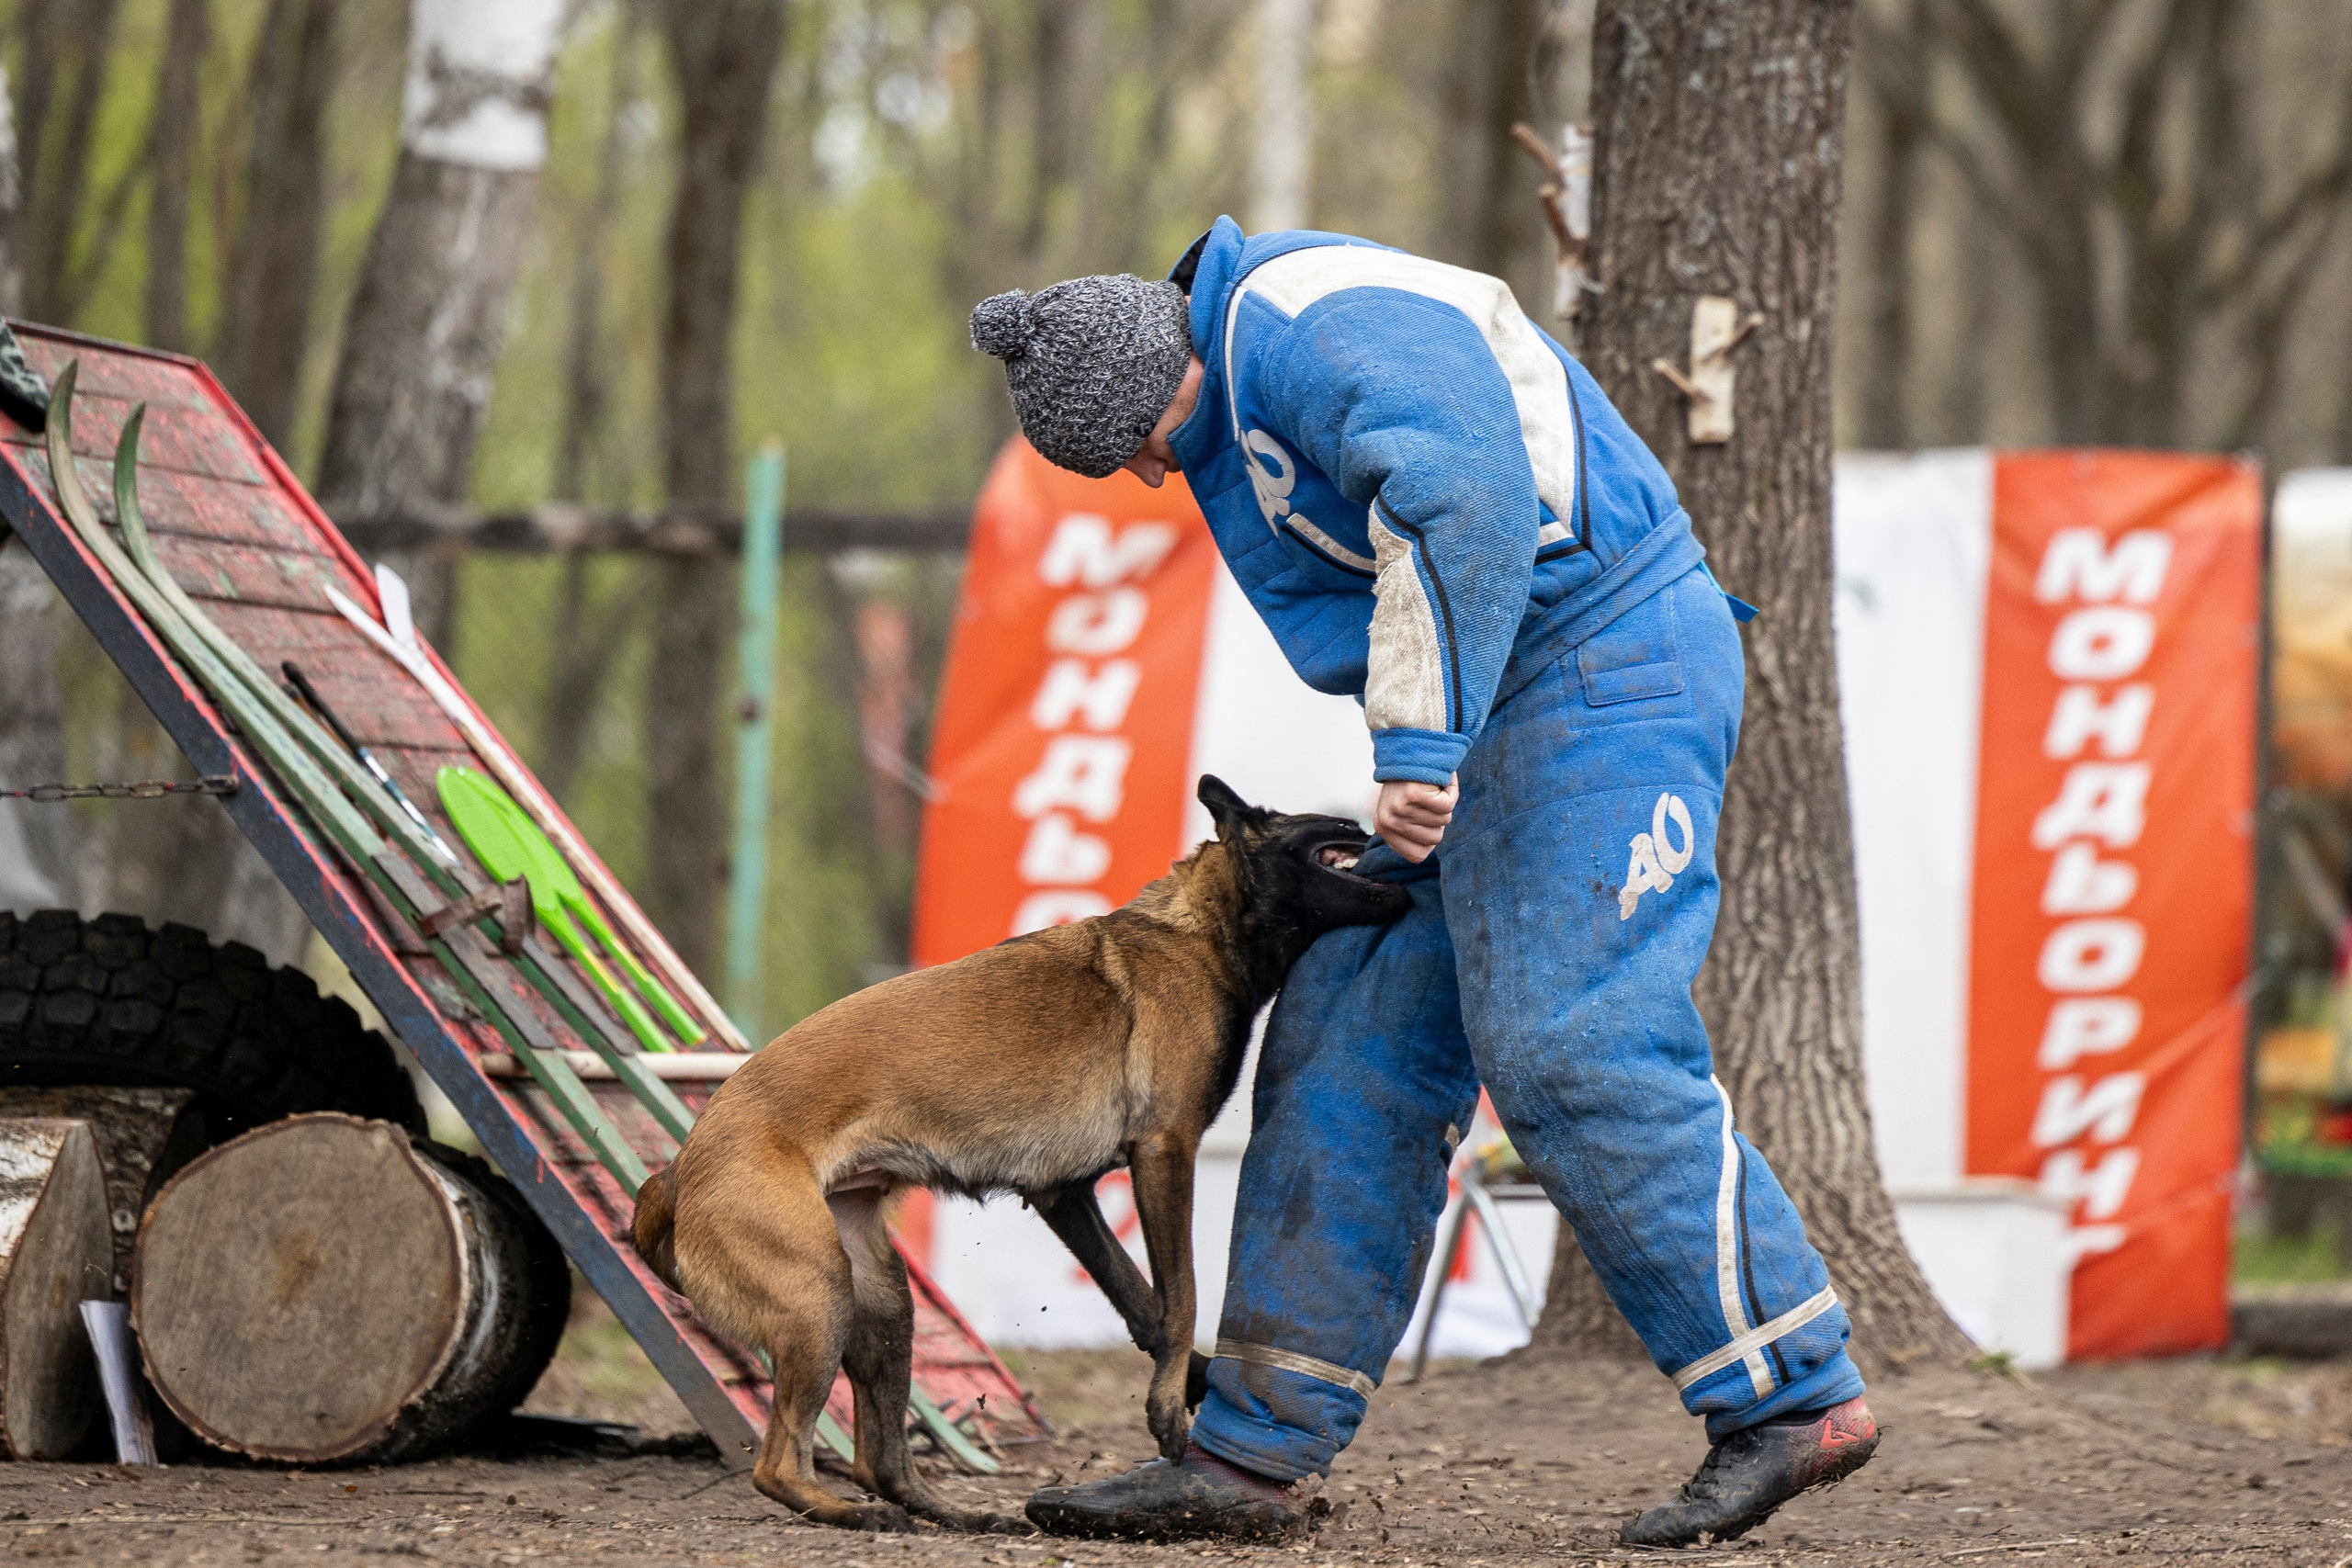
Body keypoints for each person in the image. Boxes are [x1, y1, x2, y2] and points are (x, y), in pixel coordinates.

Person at [967, 217, 1878, 1550]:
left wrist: (1417, 746)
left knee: (1570, 1040)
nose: (1155, 476)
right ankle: (1253, 1455)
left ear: (1152, 381)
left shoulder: (1308, 323)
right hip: (1517, 687)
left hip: (1607, 668)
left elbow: (1465, 497)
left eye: (1137, 447)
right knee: (1351, 1023)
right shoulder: (1242, 354)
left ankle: (1793, 1399)